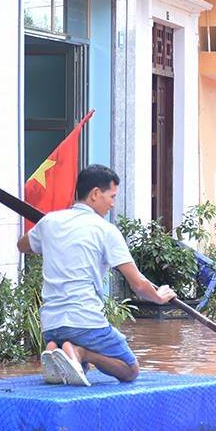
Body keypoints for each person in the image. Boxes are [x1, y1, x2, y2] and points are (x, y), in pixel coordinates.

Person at [17, 164, 176, 386]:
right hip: (85, 321)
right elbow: (138, 284)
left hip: (51, 324)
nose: (112, 203)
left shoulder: (49, 222)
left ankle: (55, 348)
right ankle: (82, 353)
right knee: (130, 370)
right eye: (111, 196)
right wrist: (159, 297)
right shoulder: (106, 230)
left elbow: (22, 246)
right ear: (95, 194)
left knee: (75, 368)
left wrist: (45, 230)